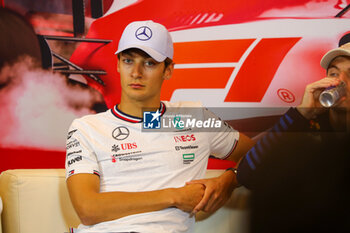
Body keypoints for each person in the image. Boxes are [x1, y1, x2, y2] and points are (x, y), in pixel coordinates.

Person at [65, 20, 254, 233]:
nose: (136, 72)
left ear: (168, 70)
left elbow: (261, 154)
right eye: (128, 61)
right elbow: (87, 209)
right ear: (118, 64)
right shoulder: (86, 128)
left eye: (149, 63)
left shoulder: (192, 117)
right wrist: (174, 196)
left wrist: (230, 180)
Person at [236, 42, 350, 232]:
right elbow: (248, 174)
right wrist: (300, 114)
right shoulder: (304, 124)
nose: (341, 81)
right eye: (334, 73)